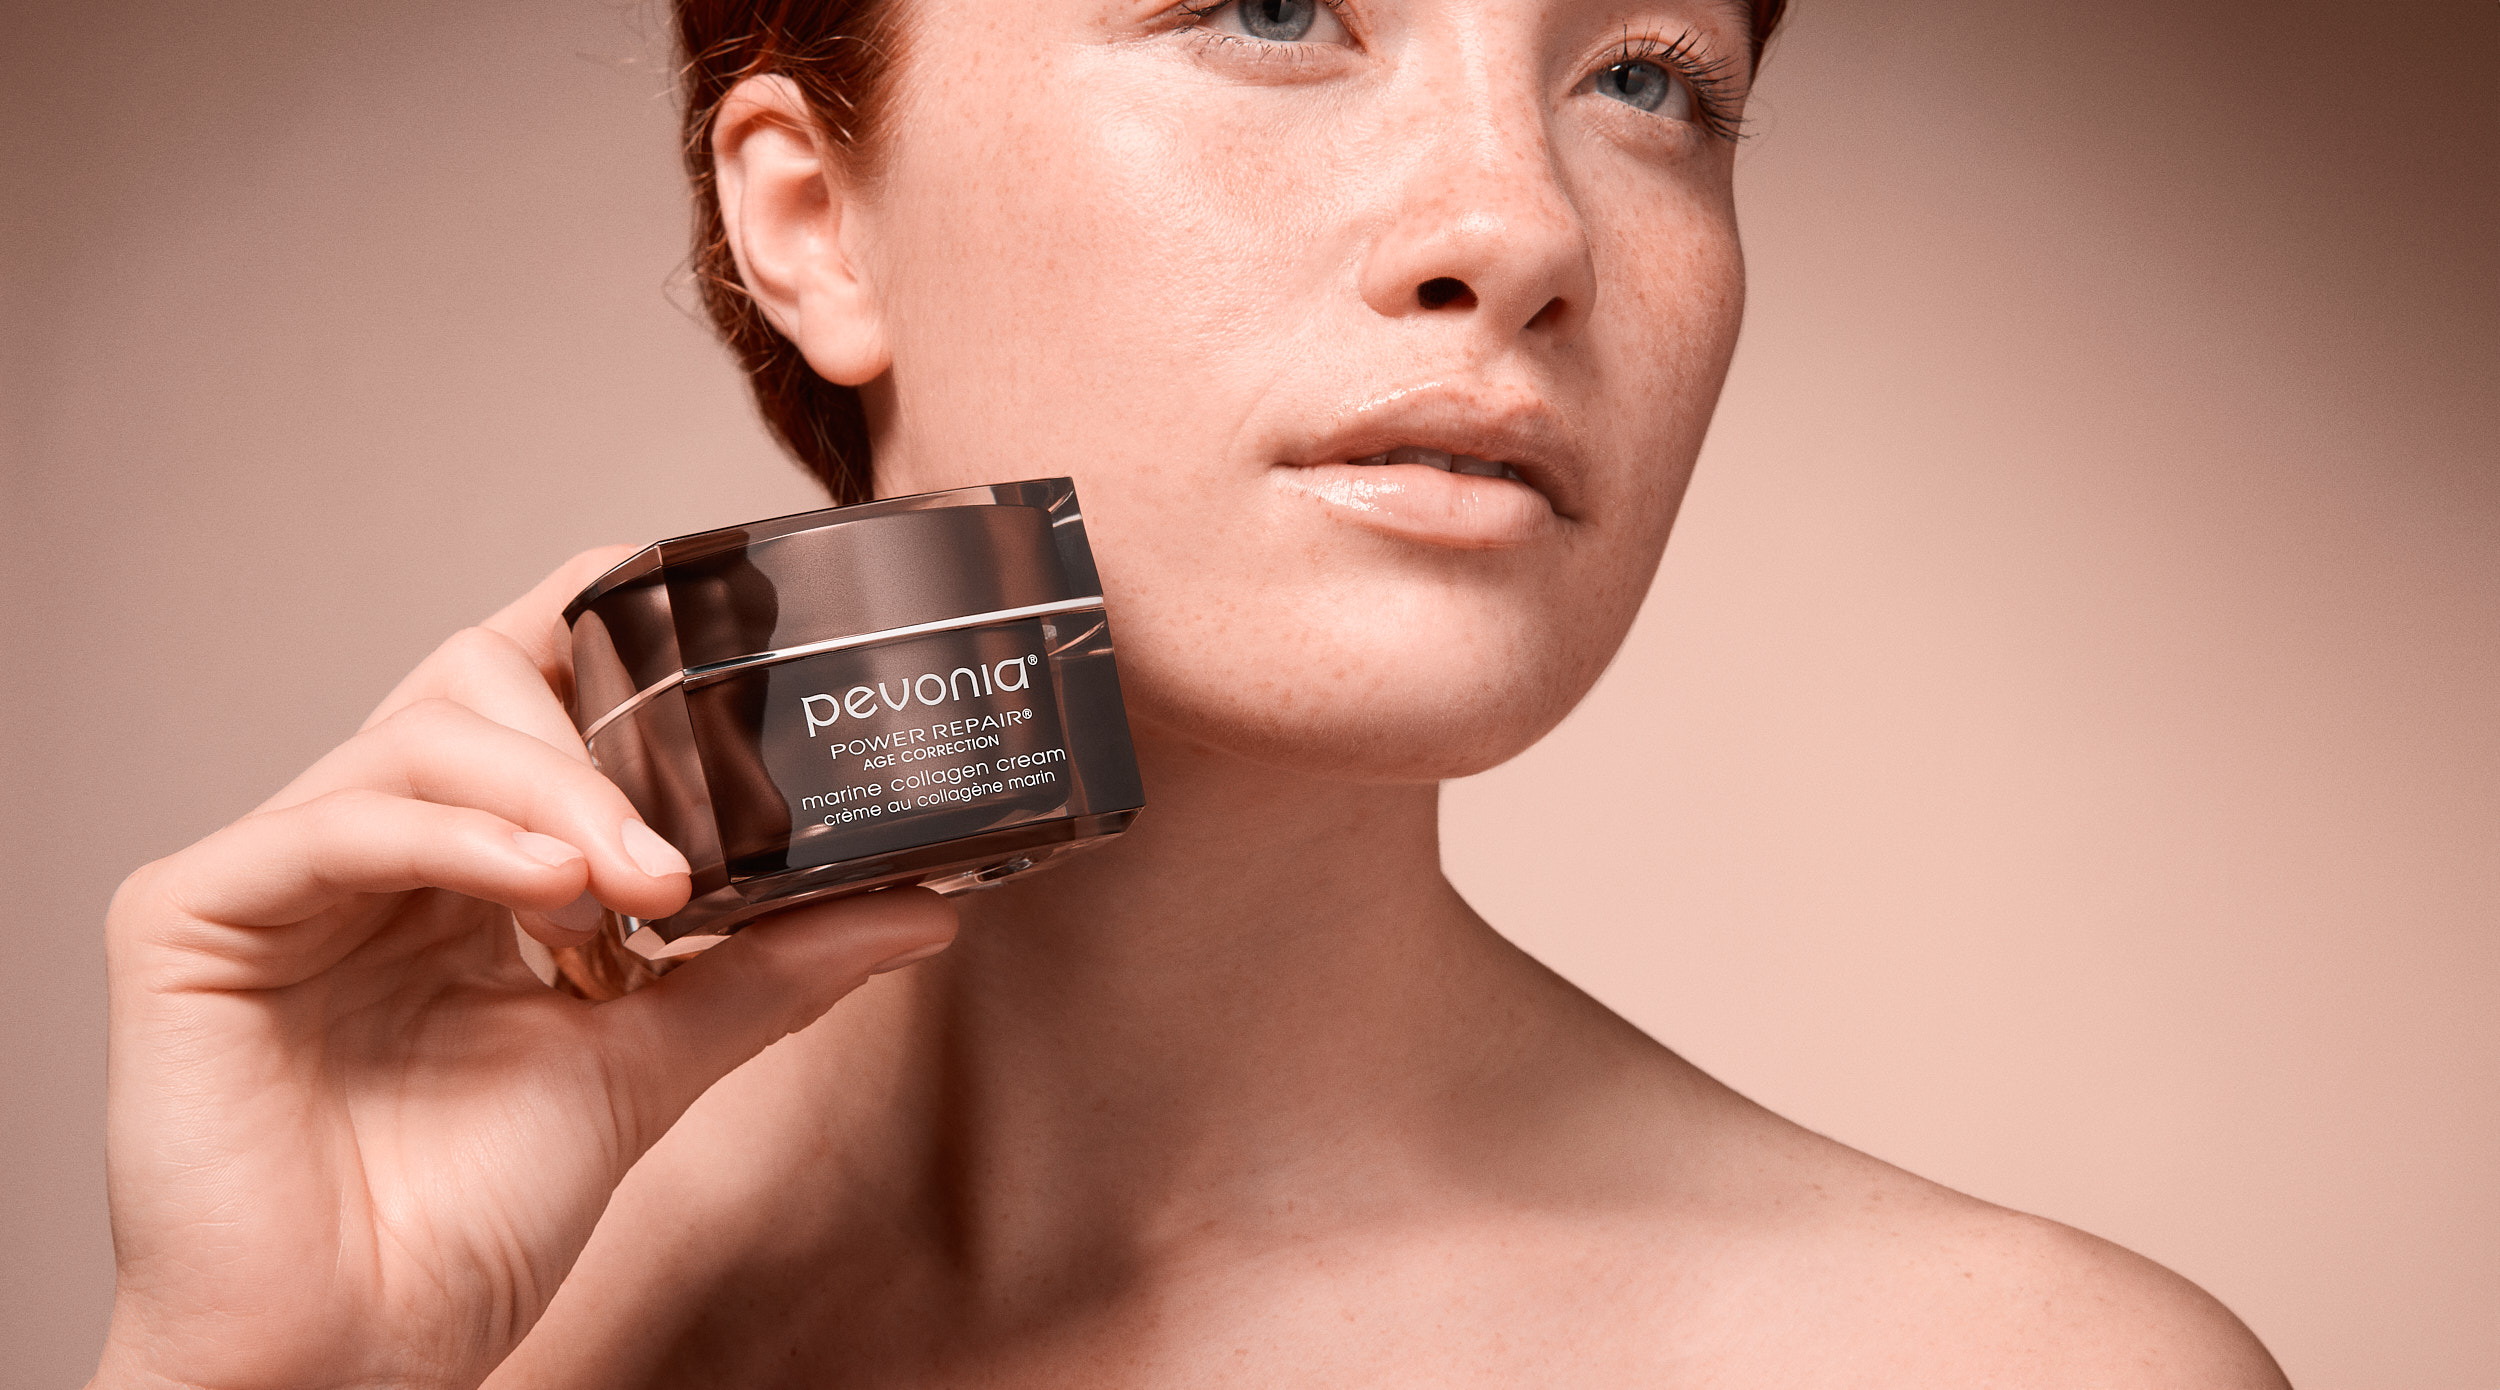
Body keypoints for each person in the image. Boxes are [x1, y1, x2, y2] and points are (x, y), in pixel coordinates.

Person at [89, 1, 2291, 1385]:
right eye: (1273, 6)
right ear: (813, 218)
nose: (1519, 226)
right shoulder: (448, 1297)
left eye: (1646, 76)